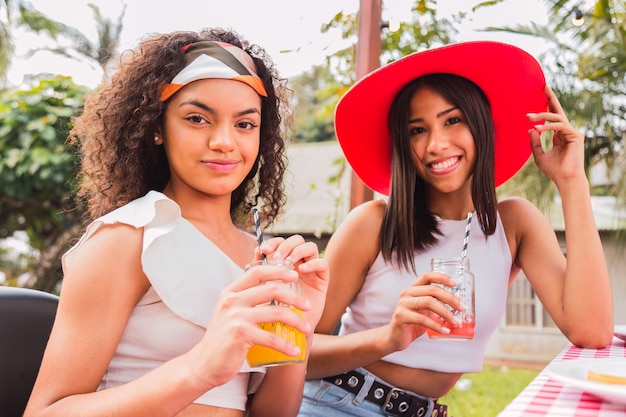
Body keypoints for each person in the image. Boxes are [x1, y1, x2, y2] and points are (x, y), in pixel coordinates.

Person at [23, 28, 329, 417]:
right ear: (156, 127)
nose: (224, 141)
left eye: (245, 124)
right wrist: (199, 368)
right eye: (198, 118)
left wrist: (299, 331)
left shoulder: (261, 257)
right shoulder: (128, 239)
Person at [298, 41, 614, 417]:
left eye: (452, 120)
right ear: (403, 142)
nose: (436, 144)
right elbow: (298, 353)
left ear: (480, 125)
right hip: (337, 402)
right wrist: (387, 338)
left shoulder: (513, 224)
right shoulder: (372, 224)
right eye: (417, 130)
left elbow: (591, 331)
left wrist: (572, 182)